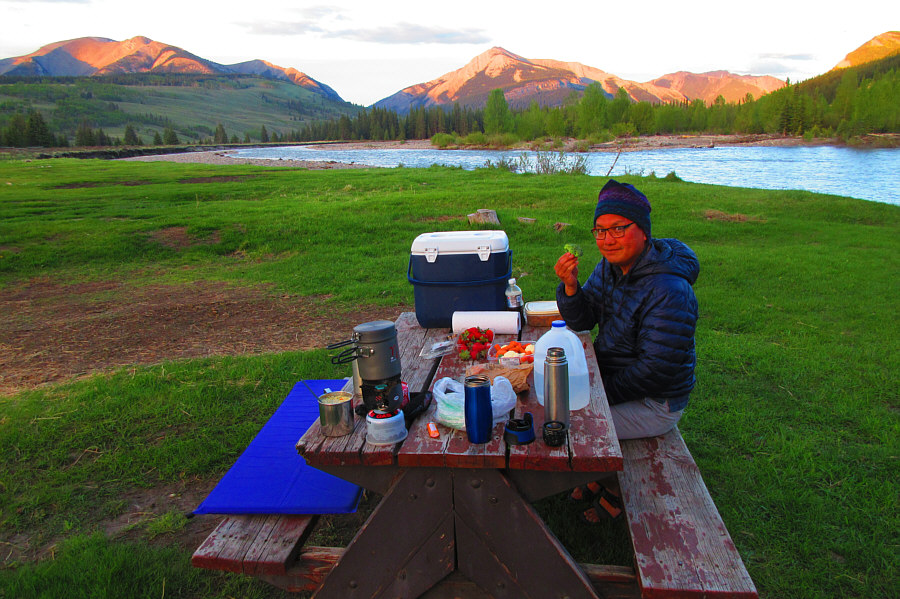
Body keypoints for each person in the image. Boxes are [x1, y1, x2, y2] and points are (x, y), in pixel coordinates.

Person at [554, 179, 699, 522]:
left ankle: (617, 486)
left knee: (572, 422)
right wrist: (571, 288)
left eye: (618, 228)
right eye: (600, 231)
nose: (607, 239)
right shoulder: (611, 267)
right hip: (619, 379)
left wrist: (597, 397)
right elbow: (585, 318)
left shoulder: (668, 289)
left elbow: (655, 370)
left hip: (656, 402)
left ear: (643, 231)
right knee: (559, 394)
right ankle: (601, 473)